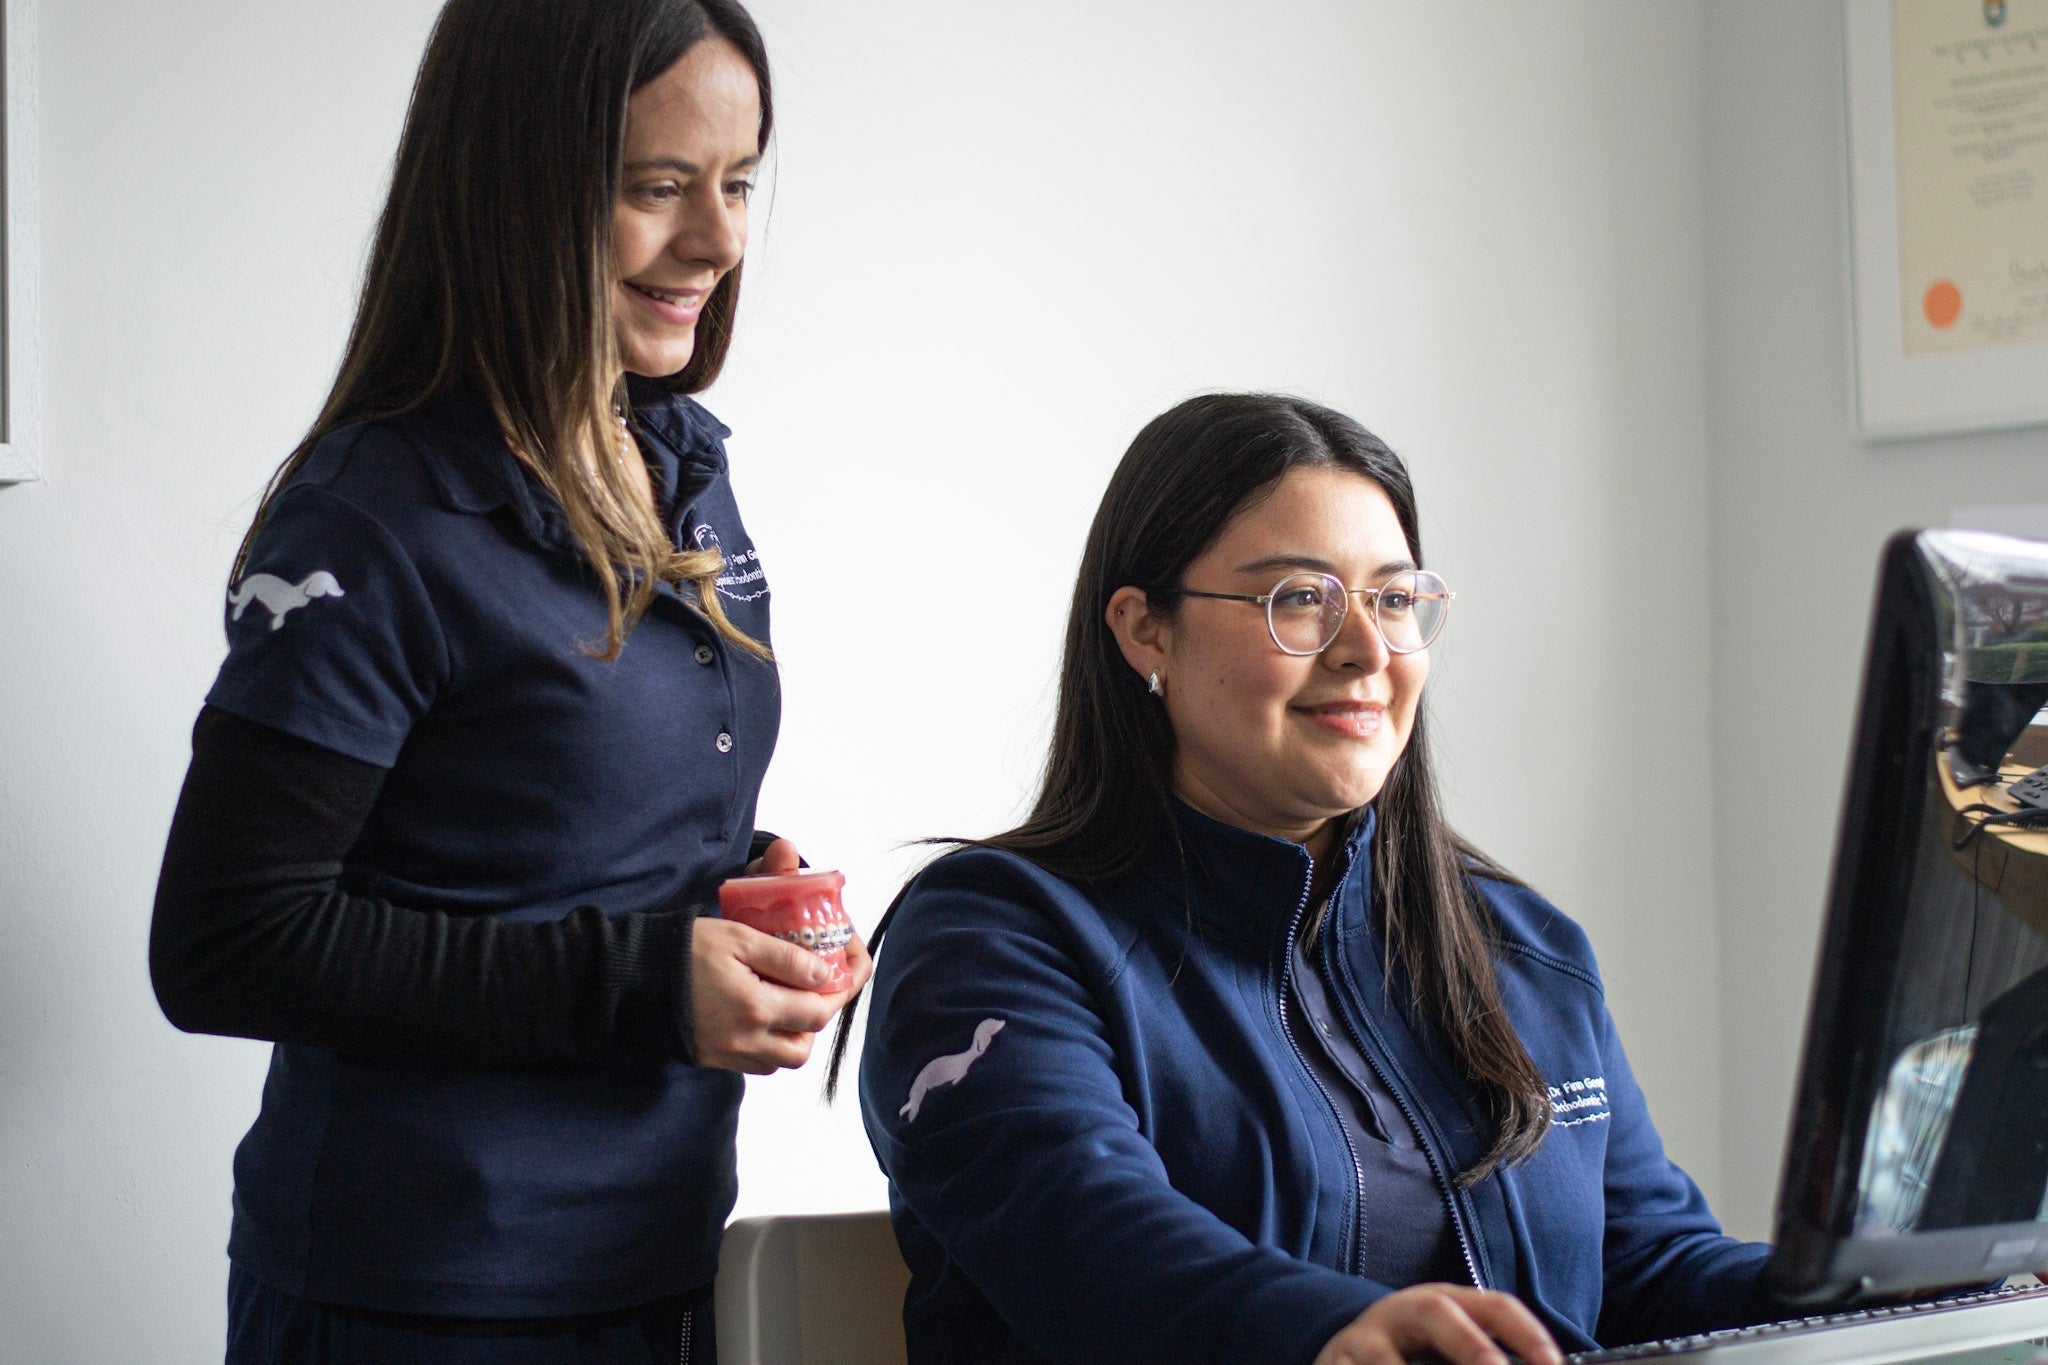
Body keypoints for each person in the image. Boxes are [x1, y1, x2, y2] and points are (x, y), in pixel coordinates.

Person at [148, 2, 870, 1360]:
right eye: (657, 187)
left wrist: (744, 886)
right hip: (425, 1297)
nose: (719, 241)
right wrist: (646, 982)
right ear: (517, 193)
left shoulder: (677, 461)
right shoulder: (373, 517)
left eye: (737, 183)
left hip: (657, 1261)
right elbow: (224, 943)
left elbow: (539, 816)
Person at [847, 393, 1780, 1365]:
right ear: (1144, 630)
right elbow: (1089, 1242)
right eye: (1299, 598)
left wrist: (1850, 1284)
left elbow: (1648, 1273)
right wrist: (1323, 1332)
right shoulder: (991, 937)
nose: (1367, 650)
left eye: (1393, 600)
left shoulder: (1521, 949)